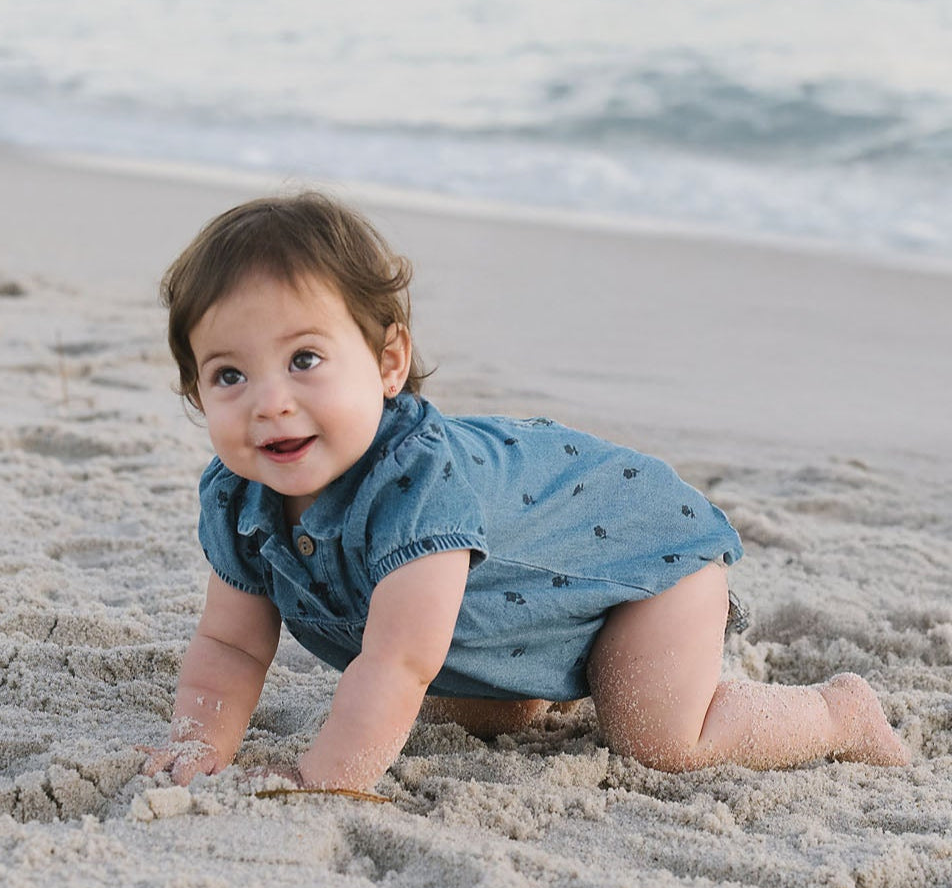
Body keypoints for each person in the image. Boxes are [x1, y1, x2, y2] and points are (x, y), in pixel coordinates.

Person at [140, 193, 909, 792]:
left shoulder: (417, 485)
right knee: (474, 714)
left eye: (304, 359)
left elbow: (399, 661)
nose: (269, 401)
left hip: (640, 559)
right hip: (520, 596)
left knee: (661, 738)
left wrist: (321, 779)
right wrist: (199, 740)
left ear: (388, 362)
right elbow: (232, 642)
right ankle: (519, 692)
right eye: (228, 375)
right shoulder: (239, 497)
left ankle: (836, 712)